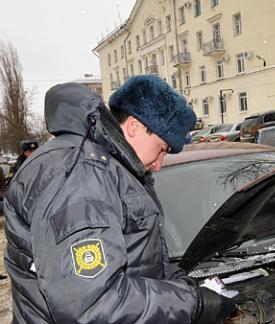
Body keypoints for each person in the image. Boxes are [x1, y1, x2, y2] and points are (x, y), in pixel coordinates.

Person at [3, 75, 237, 323]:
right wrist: (192, 304)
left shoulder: (112, 168)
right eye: (162, 149)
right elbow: (92, 302)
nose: (158, 165)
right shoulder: (80, 175)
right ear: (134, 126)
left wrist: (180, 283)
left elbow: (138, 257)